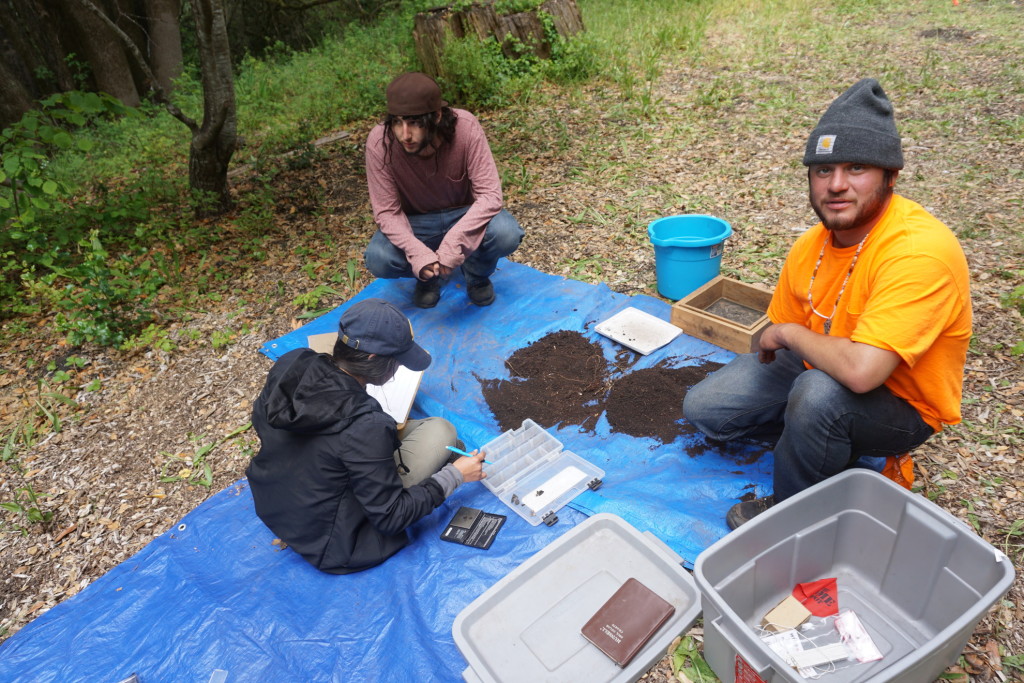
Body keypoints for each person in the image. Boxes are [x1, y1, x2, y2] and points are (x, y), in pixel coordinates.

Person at [683, 78, 971, 530]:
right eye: (823, 170)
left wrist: (788, 333)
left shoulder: (919, 252)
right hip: (821, 367)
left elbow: (860, 372)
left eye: (856, 168)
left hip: (902, 402)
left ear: (890, 176)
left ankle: (792, 515)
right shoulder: (812, 245)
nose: (836, 185)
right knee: (705, 409)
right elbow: (779, 347)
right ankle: (819, 444)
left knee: (818, 398)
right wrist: (784, 339)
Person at [246, 298, 487, 574]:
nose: (399, 368)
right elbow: (391, 517)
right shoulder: (367, 427)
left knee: (434, 434)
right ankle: (449, 461)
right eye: (397, 360)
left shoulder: (294, 363)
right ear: (373, 358)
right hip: (333, 540)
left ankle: (443, 454)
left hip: (277, 501)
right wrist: (455, 475)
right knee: (442, 432)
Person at [363, 71, 524, 308]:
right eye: (397, 122)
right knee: (378, 259)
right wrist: (417, 253)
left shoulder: (465, 127)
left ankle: (476, 275)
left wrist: (455, 242)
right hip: (416, 222)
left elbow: (490, 195)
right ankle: (428, 277)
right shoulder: (380, 142)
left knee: (506, 233)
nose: (404, 134)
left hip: (463, 213)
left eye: (415, 123)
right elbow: (386, 212)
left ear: (437, 116)